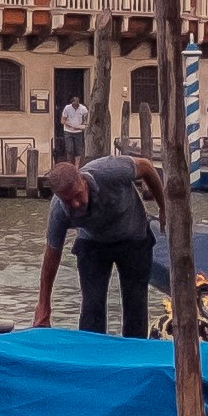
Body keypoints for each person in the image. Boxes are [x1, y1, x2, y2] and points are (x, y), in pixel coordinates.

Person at [38, 140, 158, 336]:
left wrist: (163, 208)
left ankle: (134, 355)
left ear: (82, 180)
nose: (75, 204)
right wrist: (44, 306)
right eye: (68, 201)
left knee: (135, 303)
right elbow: (52, 254)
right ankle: (92, 353)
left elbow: (146, 166)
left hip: (133, 237)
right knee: (92, 305)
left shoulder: (111, 170)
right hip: (93, 243)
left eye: (78, 195)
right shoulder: (58, 210)